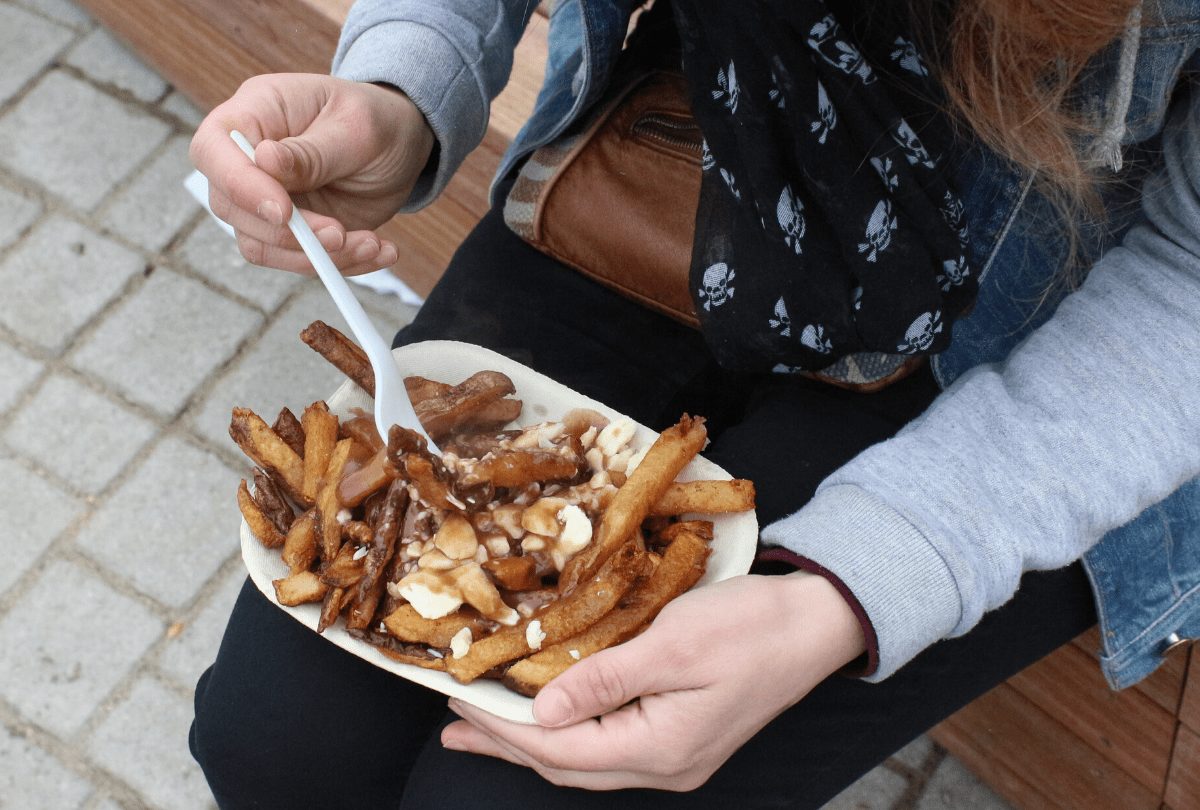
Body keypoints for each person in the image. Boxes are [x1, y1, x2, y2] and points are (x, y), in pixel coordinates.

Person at [187, 0, 1200, 806]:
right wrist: (401, 84)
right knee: (274, 745)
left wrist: (850, 595)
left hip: (1055, 314)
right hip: (700, 127)